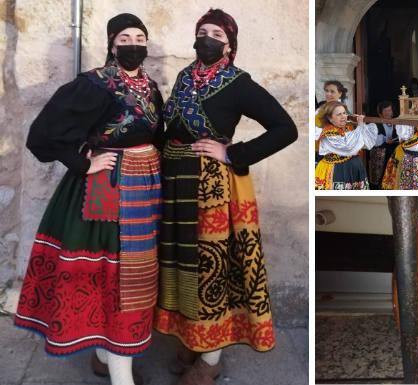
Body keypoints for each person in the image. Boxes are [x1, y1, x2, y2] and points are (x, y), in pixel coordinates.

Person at [14, 13, 163, 385]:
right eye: (125, 37)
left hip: (145, 190)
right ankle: (120, 375)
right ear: (112, 43)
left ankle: (104, 357)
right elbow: (42, 135)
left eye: (140, 37)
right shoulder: (95, 84)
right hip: (108, 191)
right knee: (113, 277)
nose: (134, 44)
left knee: (133, 275)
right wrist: (84, 163)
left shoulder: (151, 86)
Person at [154, 9, 297, 385]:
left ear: (229, 44)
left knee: (210, 270)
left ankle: (210, 360)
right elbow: (170, 128)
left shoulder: (238, 83)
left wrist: (233, 154)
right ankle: (191, 339)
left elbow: (286, 129)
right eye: (202, 31)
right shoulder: (186, 78)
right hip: (175, 181)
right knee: (180, 264)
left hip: (210, 187)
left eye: (216, 32)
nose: (207, 37)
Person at [315, 101, 377, 190]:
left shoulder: (348, 128)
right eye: (339, 114)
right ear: (330, 118)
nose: (343, 116)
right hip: (338, 170)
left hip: (354, 168)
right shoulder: (328, 133)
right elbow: (348, 146)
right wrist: (360, 125)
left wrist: (361, 126)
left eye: (344, 113)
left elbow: (366, 143)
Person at [315, 80, 349, 163]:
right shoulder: (320, 109)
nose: (328, 94)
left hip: (334, 153)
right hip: (318, 150)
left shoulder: (342, 110)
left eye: (332, 91)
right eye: (326, 91)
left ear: (340, 93)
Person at [368, 101, 398, 189]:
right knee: (379, 176)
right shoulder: (375, 123)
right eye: (385, 110)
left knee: (391, 175)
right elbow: (373, 140)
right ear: (380, 112)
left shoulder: (396, 122)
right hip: (379, 153)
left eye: (390, 110)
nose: (388, 112)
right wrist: (385, 139)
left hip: (392, 152)